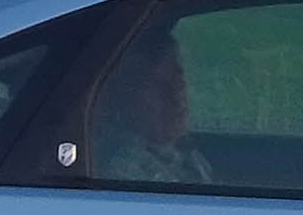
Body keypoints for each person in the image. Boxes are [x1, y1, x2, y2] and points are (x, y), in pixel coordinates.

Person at [89, 20, 211, 183]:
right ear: (125, 95)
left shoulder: (182, 151)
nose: (176, 95)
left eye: (178, 79)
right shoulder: (124, 171)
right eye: (160, 84)